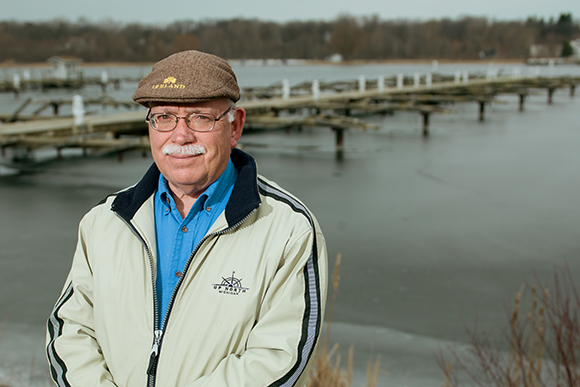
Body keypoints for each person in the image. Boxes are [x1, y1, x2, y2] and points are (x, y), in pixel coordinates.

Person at [46, 50, 328, 387]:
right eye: (164, 117)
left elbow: (279, 357)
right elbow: (71, 331)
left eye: (200, 117)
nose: (180, 136)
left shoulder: (287, 228)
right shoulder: (105, 221)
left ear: (234, 125)